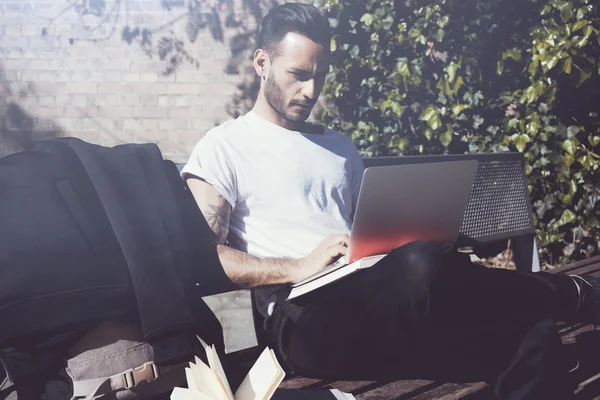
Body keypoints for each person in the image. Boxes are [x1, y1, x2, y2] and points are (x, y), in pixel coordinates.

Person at [181, 3, 600, 398]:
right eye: (298, 74)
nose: (311, 90)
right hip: (303, 319)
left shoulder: (340, 147)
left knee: (533, 337)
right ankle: (573, 293)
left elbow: (376, 229)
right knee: (423, 263)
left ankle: (554, 299)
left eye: (321, 75)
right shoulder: (224, 146)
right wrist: (298, 265)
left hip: (381, 297)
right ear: (261, 63)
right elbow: (203, 261)